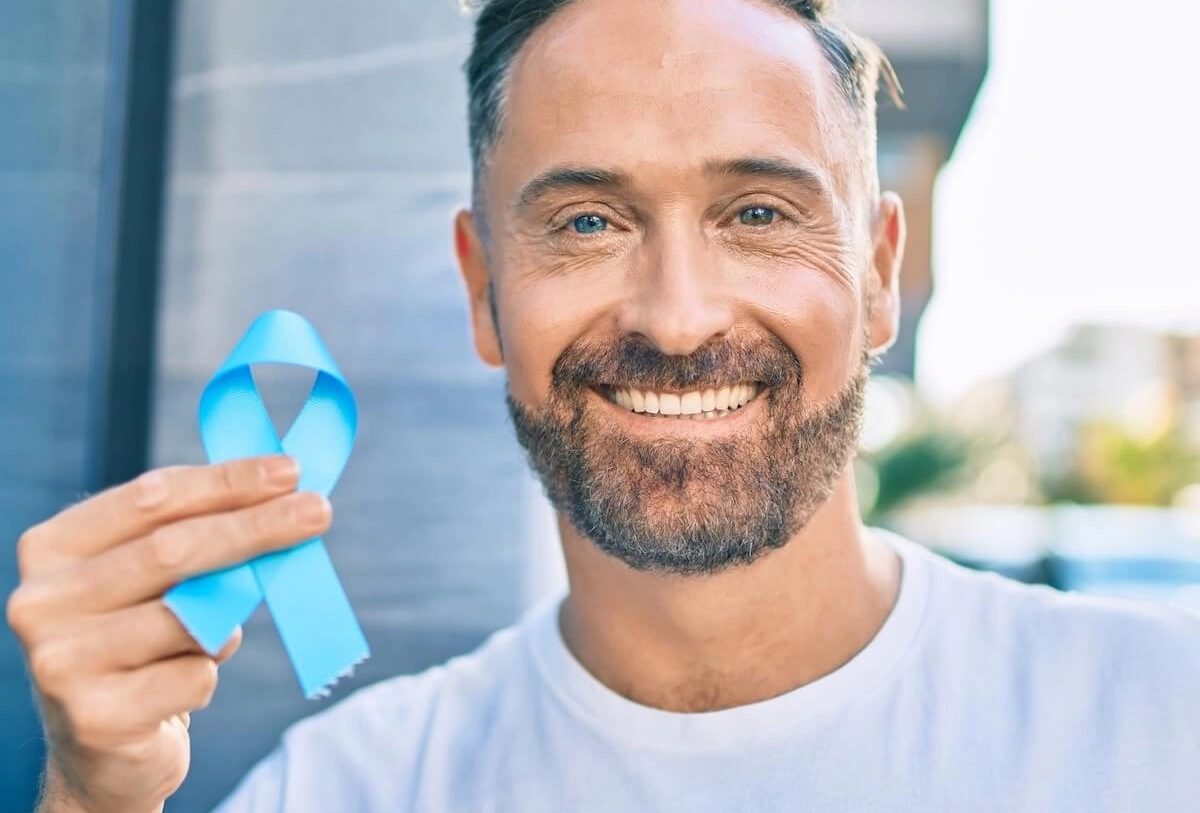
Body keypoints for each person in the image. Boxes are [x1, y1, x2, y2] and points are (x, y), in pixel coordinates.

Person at [8, 0, 1200, 810]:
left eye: (759, 214)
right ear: (483, 291)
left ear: (882, 275)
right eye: (587, 223)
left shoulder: (1161, 727)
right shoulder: (353, 787)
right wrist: (89, 801)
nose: (678, 319)